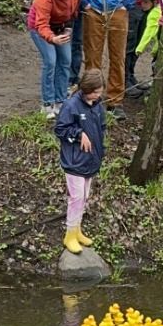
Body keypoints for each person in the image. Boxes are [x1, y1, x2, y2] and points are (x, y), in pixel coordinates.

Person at [54, 68, 108, 254]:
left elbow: (102, 129)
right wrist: (78, 134)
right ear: (86, 89)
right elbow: (60, 130)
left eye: (100, 92)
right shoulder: (71, 106)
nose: (98, 95)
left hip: (91, 159)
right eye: (95, 92)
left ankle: (77, 230)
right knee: (76, 198)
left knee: (84, 196)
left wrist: (101, 152)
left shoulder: (98, 106)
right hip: (74, 161)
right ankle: (69, 234)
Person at [28, 0, 82, 117]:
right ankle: (47, 103)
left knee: (65, 60)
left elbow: (75, 8)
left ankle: (61, 100)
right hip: (41, 28)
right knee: (51, 61)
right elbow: (42, 24)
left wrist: (69, 27)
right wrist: (52, 38)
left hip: (62, 27)